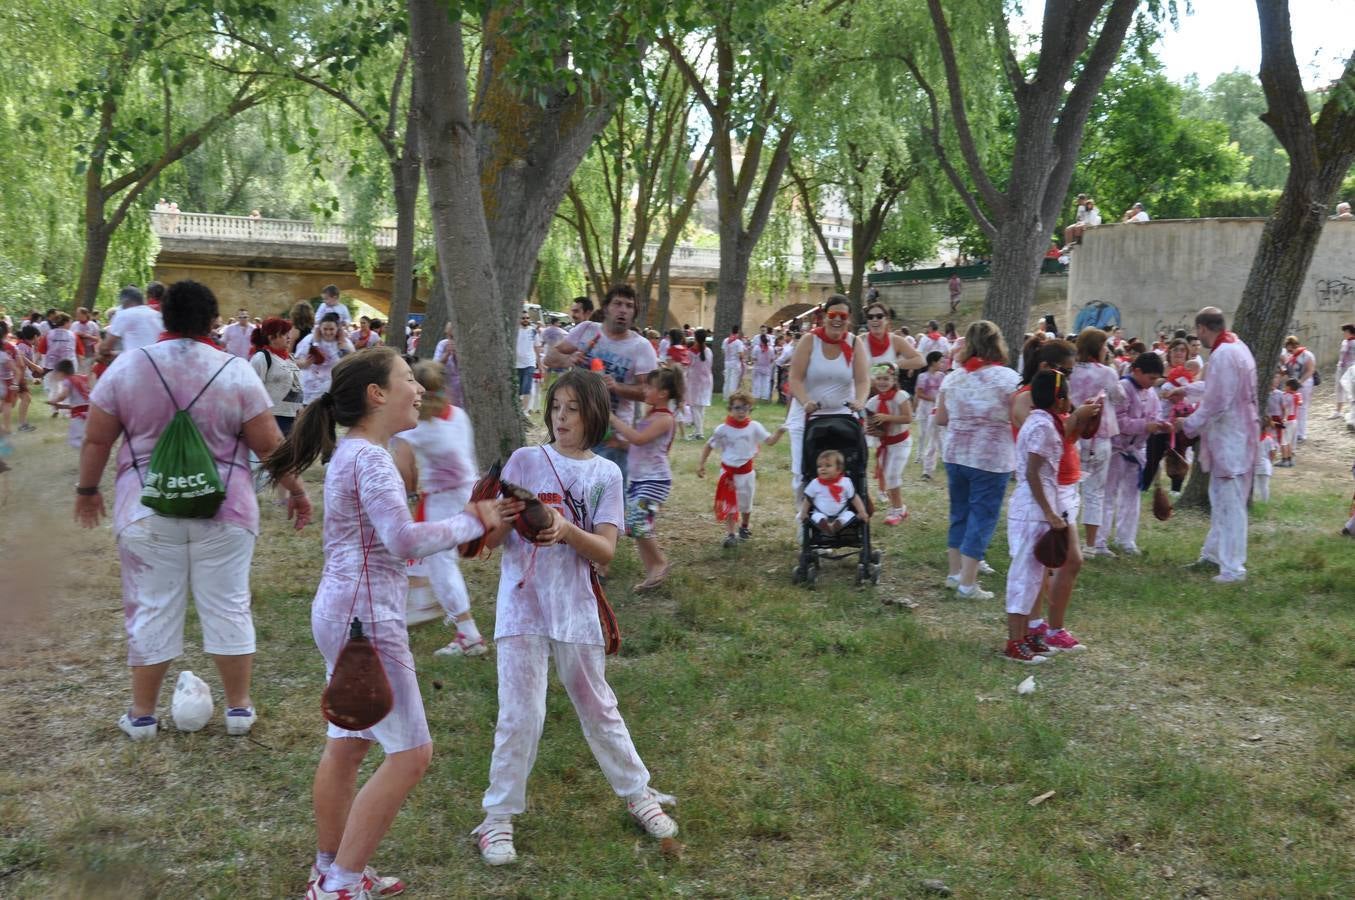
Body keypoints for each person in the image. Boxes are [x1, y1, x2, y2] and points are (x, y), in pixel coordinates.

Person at [260, 348, 507, 899]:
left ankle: (331, 869)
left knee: (348, 745)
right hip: (366, 621)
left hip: (342, 611)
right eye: (405, 380)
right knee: (412, 754)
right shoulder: (370, 458)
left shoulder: (357, 452)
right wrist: (471, 520)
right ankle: (340, 886)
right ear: (377, 394)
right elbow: (402, 540)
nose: (418, 389)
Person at [74, 280, 313, 742]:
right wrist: (297, 492)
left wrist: (87, 490)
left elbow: (98, 438)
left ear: (163, 317)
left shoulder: (127, 367)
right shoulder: (236, 371)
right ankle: (238, 710)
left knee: (151, 606)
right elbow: (270, 446)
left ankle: (142, 715)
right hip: (226, 513)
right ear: (212, 322)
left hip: (145, 511)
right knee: (228, 605)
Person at [472, 369, 677, 867]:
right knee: (522, 713)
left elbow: (605, 552)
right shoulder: (525, 460)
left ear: (594, 415)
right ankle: (497, 818)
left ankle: (638, 794)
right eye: (556, 407)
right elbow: (491, 542)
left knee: (597, 705)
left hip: (576, 608)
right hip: (521, 606)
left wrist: (563, 529)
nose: (561, 418)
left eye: (573, 409)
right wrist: (493, 515)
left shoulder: (605, 474)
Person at [391, 360, 488, 659]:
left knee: (440, 562)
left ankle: (468, 633)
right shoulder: (458, 415)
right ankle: (420, 604)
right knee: (422, 555)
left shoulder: (418, 428)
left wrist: (406, 493)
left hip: (443, 500)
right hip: (469, 491)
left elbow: (403, 468)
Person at [934, 320, 1022, 599]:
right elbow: (1018, 416)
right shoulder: (1009, 379)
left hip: (956, 453)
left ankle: (954, 572)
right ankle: (968, 584)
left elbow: (941, 418)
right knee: (982, 515)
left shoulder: (952, 377)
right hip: (991, 457)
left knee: (959, 511)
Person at [1173, 307, 1258, 584]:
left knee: (1230, 503)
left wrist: (1186, 424)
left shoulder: (1224, 354)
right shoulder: (1237, 346)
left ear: (1201, 329)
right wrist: (1186, 390)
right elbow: (1216, 388)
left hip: (1230, 437)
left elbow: (1217, 403)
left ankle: (1233, 568)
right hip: (1239, 432)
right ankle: (1213, 554)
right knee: (1220, 499)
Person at [543, 284, 657, 478]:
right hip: (573, 429)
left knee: (607, 501)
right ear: (606, 308)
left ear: (634, 313)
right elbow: (550, 358)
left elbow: (650, 393)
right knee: (568, 495)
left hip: (611, 438)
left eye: (629, 306)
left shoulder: (641, 347)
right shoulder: (587, 330)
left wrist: (617, 387)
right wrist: (569, 359)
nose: (623, 310)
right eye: (618, 304)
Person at [1003, 369, 1073, 664]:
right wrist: (1049, 512)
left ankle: (1029, 636)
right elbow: (1032, 472)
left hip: (1035, 509)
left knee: (1033, 579)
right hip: (1032, 511)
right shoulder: (1043, 427)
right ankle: (1014, 642)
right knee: (1023, 578)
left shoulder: (1041, 421)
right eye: (1067, 396)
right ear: (1058, 400)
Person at [786, 295, 870, 508]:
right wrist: (805, 401)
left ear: (848, 318)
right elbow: (795, 378)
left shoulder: (854, 342)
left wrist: (860, 401)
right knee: (802, 470)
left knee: (845, 468)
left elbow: (862, 379)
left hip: (842, 413)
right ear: (824, 317)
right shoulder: (810, 341)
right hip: (807, 413)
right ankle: (803, 518)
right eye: (833, 315)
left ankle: (840, 511)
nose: (837, 320)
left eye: (843, 315)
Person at [608, 367, 683, 591]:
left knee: (639, 523)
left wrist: (612, 418)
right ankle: (653, 573)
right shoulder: (651, 415)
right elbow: (637, 444)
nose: (645, 389)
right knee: (634, 526)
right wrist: (620, 443)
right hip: (640, 481)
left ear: (663, 394)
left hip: (655, 482)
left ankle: (659, 562)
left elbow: (640, 439)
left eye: (650, 387)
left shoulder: (665, 419)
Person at [697, 389, 785, 548]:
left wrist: (780, 431)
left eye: (745, 408)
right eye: (737, 408)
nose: (741, 411)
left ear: (750, 409)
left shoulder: (754, 427)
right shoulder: (722, 429)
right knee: (730, 504)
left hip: (746, 473)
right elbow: (709, 446)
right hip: (729, 474)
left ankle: (744, 526)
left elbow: (770, 441)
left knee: (746, 503)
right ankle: (731, 534)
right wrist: (701, 464)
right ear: (730, 409)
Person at [1103, 352, 1167, 555]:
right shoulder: (1122, 388)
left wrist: (1159, 424)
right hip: (1116, 449)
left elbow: (1156, 413)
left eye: (1156, 379)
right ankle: (1099, 539)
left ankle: (1126, 538)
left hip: (1137, 450)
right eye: (1150, 378)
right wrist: (1145, 425)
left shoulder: (1151, 393)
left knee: (1132, 495)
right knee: (1108, 494)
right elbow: (1119, 422)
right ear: (1137, 371)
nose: (1152, 383)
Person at [1068, 328, 1125, 557]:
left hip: (1072, 434)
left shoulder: (1070, 370)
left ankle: (1067, 538)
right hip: (1099, 436)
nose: (1106, 350)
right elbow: (1120, 397)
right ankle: (1091, 545)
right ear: (1097, 348)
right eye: (1104, 346)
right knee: (1095, 491)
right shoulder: (1107, 373)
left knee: (1069, 489)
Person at [867, 362, 913, 525]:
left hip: (901, 442)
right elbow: (870, 424)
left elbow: (908, 418)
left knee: (893, 475)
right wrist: (872, 431)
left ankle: (897, 510)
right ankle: (899, 508)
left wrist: (888, 418)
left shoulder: (901, 396)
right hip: (885, 443)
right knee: (888, 477)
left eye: (886, 378)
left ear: (894, 379)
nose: (882, 382)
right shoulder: (872, 402)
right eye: (879, 378)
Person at [249, 318, 304, 437]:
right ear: (271, 337)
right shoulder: (261, 358)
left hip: (292, 417)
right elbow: (252, 392)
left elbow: (296, 385)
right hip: (273, 418)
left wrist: (299, 409)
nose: (289, 337)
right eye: (284, 334)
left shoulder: (289, 358)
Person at [802, 449, 869, 535]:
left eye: (828, 466)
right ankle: (825, 525)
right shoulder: (815, 483)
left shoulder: (845, 482)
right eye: (819, 466)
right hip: (821, 513)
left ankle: (837, 524)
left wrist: (862, 511)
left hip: (842, 513)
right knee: (815, 516)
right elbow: (808, 499)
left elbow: (854, 498)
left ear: (839, 470)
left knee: (849, 514)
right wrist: (804, 512)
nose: (823, 469)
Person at [297, 314, 355, 405]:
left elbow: (352, 363)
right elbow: (295, 362)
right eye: (325, 329)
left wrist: (343, 347)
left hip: (332, 390)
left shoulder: (345, 342)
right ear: (320, 328)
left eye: (331, 329)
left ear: (337, 329)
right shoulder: (309, 339)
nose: (328, 332)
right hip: (309, 389)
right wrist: (304, 363)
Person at [100, 285, 164, 358]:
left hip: (139, 362)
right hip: (160, 360)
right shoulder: (157, 314)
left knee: (101, 358)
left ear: (124, 301)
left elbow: (105, 348)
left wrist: (102, 351)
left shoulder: (124, 314)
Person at [862, 302, 924, 374]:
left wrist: (894, 365)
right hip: (864, 385)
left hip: (888, 384)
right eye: (870, 317)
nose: (874, 319)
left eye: (879, 316)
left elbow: (920, 360)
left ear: (887, 320)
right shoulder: (859, 341)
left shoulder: (895, 341)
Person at [43, 359, 92, 449]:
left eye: (56, 373)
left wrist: (54, 401)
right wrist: (61, 406)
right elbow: (81, 402)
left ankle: (89, 453)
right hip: (92, 412)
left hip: (79, 415)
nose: (56, 375)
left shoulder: (68, 380)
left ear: (61, 373)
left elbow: (63, 396)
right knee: (88, 437)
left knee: (75, 440)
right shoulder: (82, 377)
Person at [912, 351, 946, 481]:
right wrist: (931, 398)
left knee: (936, 435)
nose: (942, 364)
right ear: (933, 362)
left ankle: (942, 457)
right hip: (925, 407)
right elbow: (919, 393)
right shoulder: (923, 376)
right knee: (923, 434)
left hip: (937, 408)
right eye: (940, 361)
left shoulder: (942, 376)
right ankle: (919, 455)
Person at [1281, 335, 1315, 442]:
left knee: (1302, 408)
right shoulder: (1288, 356)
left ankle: (1301, 433)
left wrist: (1299, 382)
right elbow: (1286, 369)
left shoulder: (1307, 355)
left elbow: (1310, 370)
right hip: (1292, 385)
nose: (1290, 351)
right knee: (1292, 408)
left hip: (1304, 384)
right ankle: (1293, 432)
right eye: (1288, 349)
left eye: (1292, 348)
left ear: (1296, 345)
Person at [685, 329, 713, 439]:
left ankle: (699, 432)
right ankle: (699, 430)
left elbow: (688, 365)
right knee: (701, 407)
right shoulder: (708, 351)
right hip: (706, 381)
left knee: (694, 406)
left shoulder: (691, 352)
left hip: (694, 381)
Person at [514, 310, 539, 414]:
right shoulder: (515, 331)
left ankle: (525, 412)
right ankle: (520, 410)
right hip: (517, 364)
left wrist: (540, 364)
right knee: (519, 390)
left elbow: (537, 347)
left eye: (527, 318)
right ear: (520, 319)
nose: (525, 320)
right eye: (523, 318)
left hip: (530, 363)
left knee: (526, 387)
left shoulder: (533, 331)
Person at [1255, 421, 1278, 503]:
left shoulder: (1254, 439)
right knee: (1264, 486)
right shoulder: (1269, 439)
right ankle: (1265, 502)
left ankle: (1258, 502)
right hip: (1265, 466)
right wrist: (1271, 462)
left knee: (1256, 487)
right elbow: (1272, 453)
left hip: (1256, 466)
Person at [1335, 323, 1355, 418]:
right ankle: (1338, 411)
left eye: (1346, 331)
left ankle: (1352, 411)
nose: (1344, 333)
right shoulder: (1344, 342)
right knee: (1339, 388)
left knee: (1351, 389)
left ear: (1350, 332)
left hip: (1351, 368)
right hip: (1341, 367)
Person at [749, 332, 776, 401]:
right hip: (767, 367)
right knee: (766, 382)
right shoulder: (771, 349)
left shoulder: (757, 348)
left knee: (757, 382)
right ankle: (765, 396)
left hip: (758, 366)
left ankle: (756, 395)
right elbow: (772, 359)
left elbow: (753, 358)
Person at [722, 327, 747, 397]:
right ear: (738, 332)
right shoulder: (738, 342)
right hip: (735, 362)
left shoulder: (726, 340)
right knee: (734, 380)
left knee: (727, 380)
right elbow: (740, 353)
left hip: (727, 362)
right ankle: (731, 395)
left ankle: (725, 396)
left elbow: (723, 351)